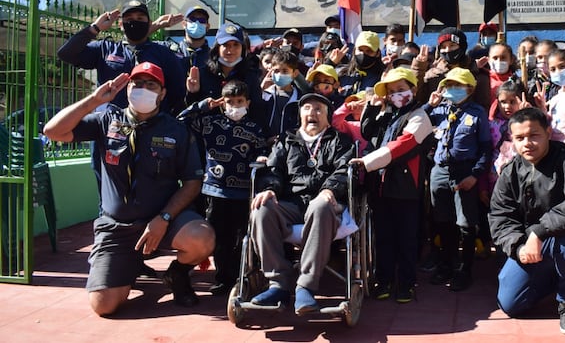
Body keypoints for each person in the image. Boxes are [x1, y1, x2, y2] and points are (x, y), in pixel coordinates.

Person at [42, 62, 215, 315]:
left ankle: (177, 274)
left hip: (162, 222)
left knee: (202, 238)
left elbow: (192, 182)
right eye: (137, 84)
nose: (143, 89)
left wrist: (164, 218)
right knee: (104, 305)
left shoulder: (176, 130)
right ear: (128, 88)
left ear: (162, 93)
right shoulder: (107, 120)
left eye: (151, 85)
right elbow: (52, 131)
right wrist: (92, 100)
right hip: (116, 228)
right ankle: (129, 266)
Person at [489, 107, 565, 335]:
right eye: (520, 138)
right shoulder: (510, 172)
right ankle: (564, 275)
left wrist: (538, 232)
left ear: (548, 132)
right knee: (511, 304)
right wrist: (518, 246)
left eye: (534, 135)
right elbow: (500, 217)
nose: (527, 143)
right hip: (530, 243)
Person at [248, 93, 355, 315]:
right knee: (261, 208)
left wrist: (329, 189)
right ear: (300, 114)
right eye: (307, 108)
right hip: (292, 203)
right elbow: (273, 170)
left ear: (327, 117)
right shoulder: (286, 140)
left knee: (320, 205)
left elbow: (344, 171)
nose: (312, 113)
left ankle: (306, 285)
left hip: (326, 204)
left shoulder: (340, 141)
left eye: (318, 109)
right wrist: (270, 188)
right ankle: (278, 284)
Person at [177, 79, 269, 296]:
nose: (234, 106)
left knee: (241, 236)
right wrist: (201, 106)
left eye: (239, 101)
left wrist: (263, 157)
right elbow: (180, 121)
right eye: (229, 101)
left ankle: (241, 277)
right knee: (218, 236)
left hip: (244, 192)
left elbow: (260, 152)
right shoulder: (210, 123)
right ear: (222, 102)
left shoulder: (254, 128)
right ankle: (222, 278)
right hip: (215, 191)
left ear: (247, 103)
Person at [352, 67, 433, 303]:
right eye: (391, 91)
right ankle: (384, 280)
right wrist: (373, 105)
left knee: (406, 239)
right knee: (383, 238)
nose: (396, 95)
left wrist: (366, 163)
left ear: (413, 89)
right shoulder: (389, 115)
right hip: (380, 187)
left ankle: (407, 283)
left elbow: (401, 146)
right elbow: (368, 132)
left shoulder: (420, 117)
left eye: (401, 89)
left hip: (406, 189)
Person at [424, 67, 492, 292]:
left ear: (470, 89)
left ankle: (465, 270)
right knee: (442, 220)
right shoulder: (439, 110)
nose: (451, 90)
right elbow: (417, 122)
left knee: (465, 222)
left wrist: (475, 174)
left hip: (465, 171)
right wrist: (430, 105)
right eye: (449, 85)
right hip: (439, 170)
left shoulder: (477, 113)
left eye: (457, 86)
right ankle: (446, 263)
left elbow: (485, 147)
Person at [56, 0, 186, 114]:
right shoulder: (105, 49)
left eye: (140, 19)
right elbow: (66, 54)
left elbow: (177, 93)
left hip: (151, 129)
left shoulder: (164, 53)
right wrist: (95, 28)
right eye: (129, 19)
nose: (134, 22)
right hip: (110, 128)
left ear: (149, 23)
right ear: (121, 25)